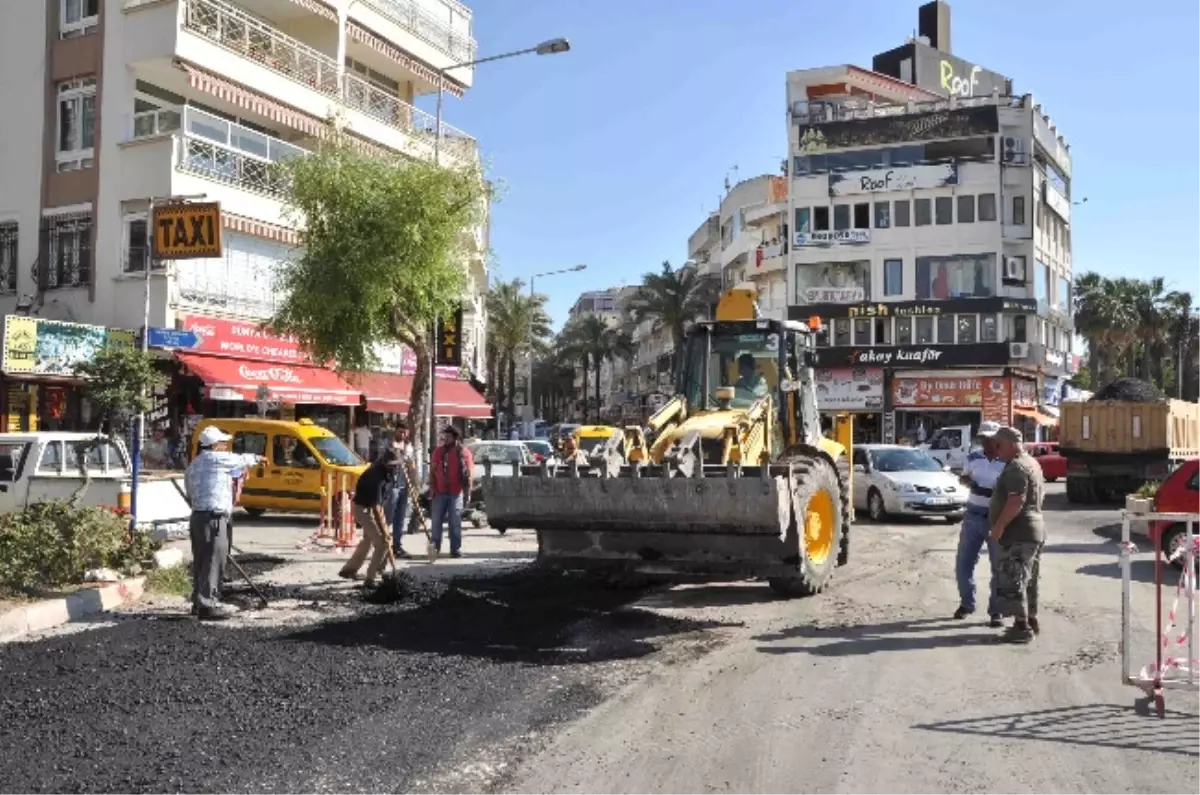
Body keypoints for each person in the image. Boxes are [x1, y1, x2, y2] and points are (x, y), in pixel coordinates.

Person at [184, 426, 266, 621]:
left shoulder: (194, 465)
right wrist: (259, 458)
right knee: (214, 560)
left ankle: (198, 602)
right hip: (214, 518)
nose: (225, 447)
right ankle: (208, 604)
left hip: (198, 517)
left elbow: (189, 493)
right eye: (222, 443)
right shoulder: (217, 459)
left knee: (202, 560)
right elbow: (242, 459)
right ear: (214, 445)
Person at [988, 426, 1046, 644]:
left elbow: (1016, 500)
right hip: (1034, 529)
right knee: (1029, 578)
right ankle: (1031, 618)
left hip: (1019, 533)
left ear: (1011, 445)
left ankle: (1021, 626)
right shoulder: (1032, 463)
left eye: (999, 445)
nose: (996, 450)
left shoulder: (1016, 467)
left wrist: (999, 526)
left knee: (1014, 578)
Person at [954, 421, 1005, 626]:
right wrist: (969, 482)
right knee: (963, 563)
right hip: (973, 515)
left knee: (998, 567)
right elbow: (964, 478)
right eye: (983, 438)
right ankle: (967, 603)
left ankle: (996, 611)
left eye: (990, 438)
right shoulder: (974, 457)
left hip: (996, 517)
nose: (986, 442)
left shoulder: (1007, 461)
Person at [339, 449, 402, 586]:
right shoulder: (376, 477)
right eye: (391, 465)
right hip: (363, 509)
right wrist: (384, 530)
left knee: (369, 541)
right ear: (384, 463)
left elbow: (380, 504)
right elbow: (376, 508)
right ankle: (371, 578)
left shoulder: (389, 472)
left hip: (375, 507)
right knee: (382, 543)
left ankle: (349, 570)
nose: (394, 467)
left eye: (396, 465)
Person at [429, 425, 474, 559]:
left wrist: (468, 492)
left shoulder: (464, 453)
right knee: (436, 522)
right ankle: (435, 548)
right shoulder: (438, 452)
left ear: (455, 438)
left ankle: (455, 549)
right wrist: (432, 488)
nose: (445, 439)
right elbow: (432, 471)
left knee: (455, 522)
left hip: (456, 492)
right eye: (444, 436)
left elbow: (470, 474)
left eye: (448, 437)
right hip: (439, 491)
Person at [385, 425, 417, 560]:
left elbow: (412, 465)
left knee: (400, 519)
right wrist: (399, 458)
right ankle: (383, 546)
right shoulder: (389, 446)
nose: (403, 435)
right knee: (388, 518)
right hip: (392, 486)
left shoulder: (409, 448)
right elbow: (386, 463)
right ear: (396, 431)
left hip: (404, 486)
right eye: (400, 432)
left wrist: (414, 483)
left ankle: (397, 546)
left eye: (405, 432)